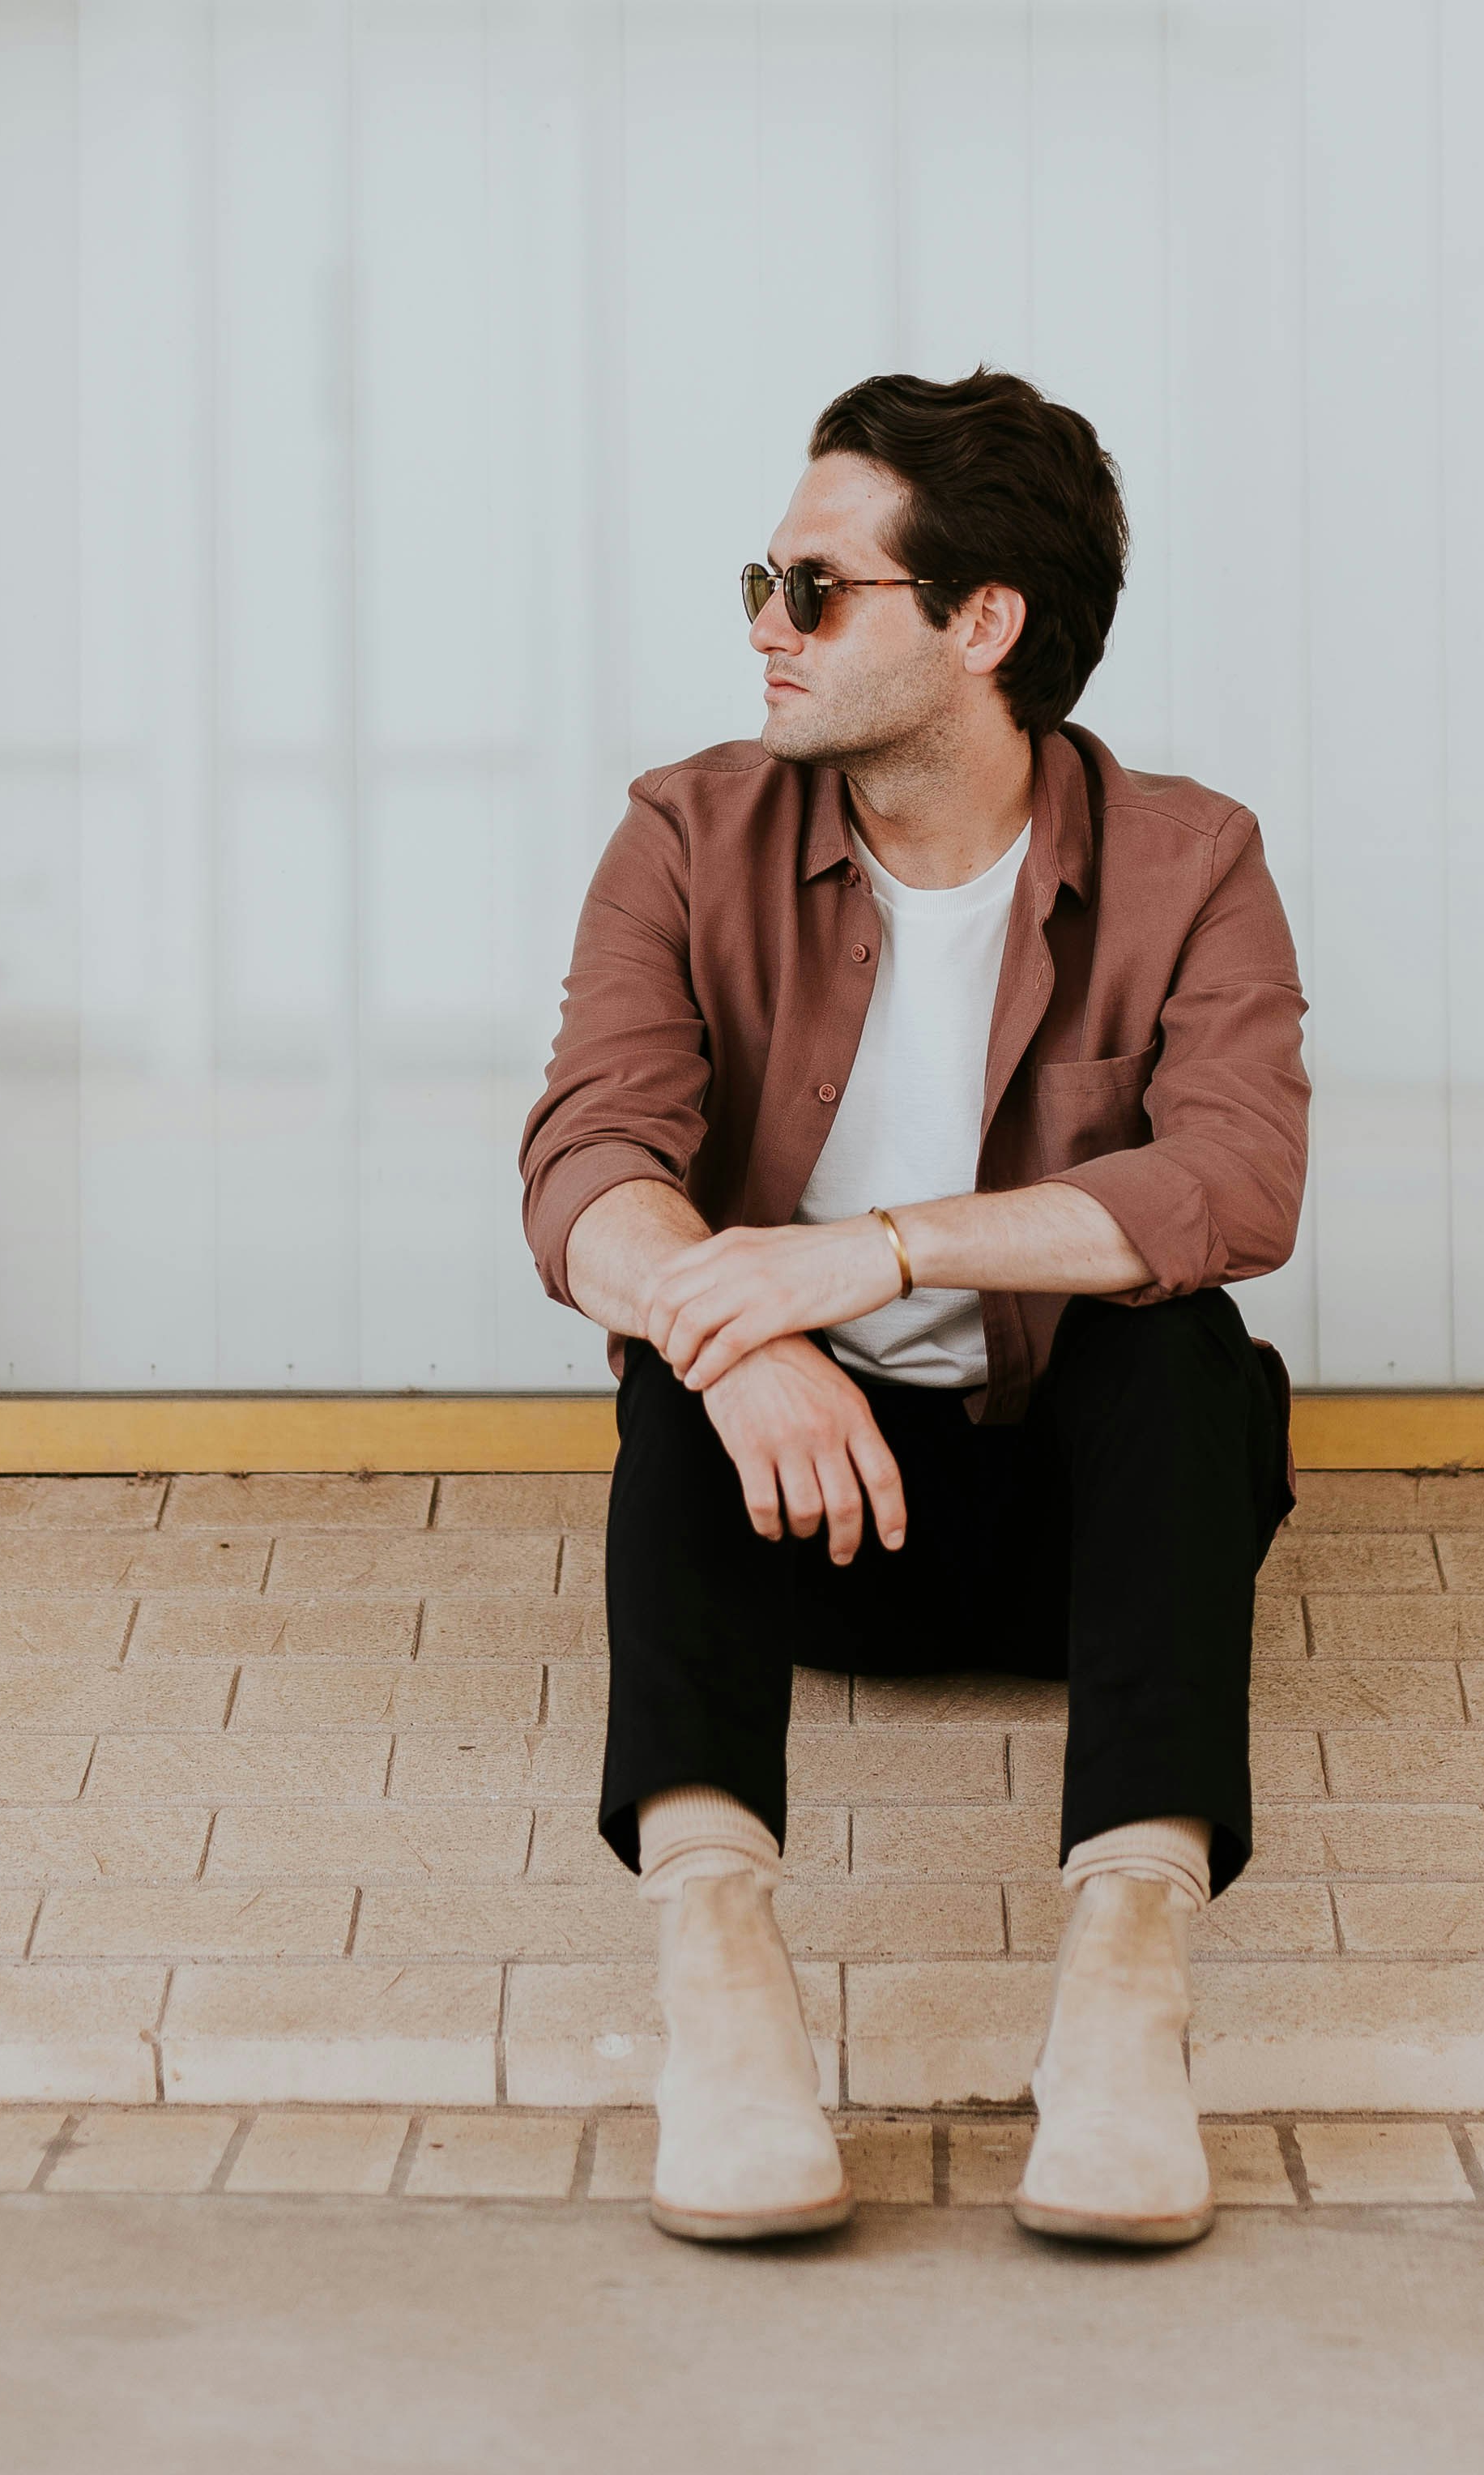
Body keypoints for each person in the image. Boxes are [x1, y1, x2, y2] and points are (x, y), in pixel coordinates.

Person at [516, 369, 1311, 2250]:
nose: (765, 631)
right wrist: (747, 1330)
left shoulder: (1189, 861)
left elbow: (1233, 1182)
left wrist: (868, 1249)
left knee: (1180, 1346)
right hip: (809, 1511)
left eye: (815, 590)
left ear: (980, 625)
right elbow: (585, 1160)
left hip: (1083, 1531)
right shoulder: (686, 836)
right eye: (759, 585)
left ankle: (1123, 2000)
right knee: (671, 1362)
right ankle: (721, 1997)